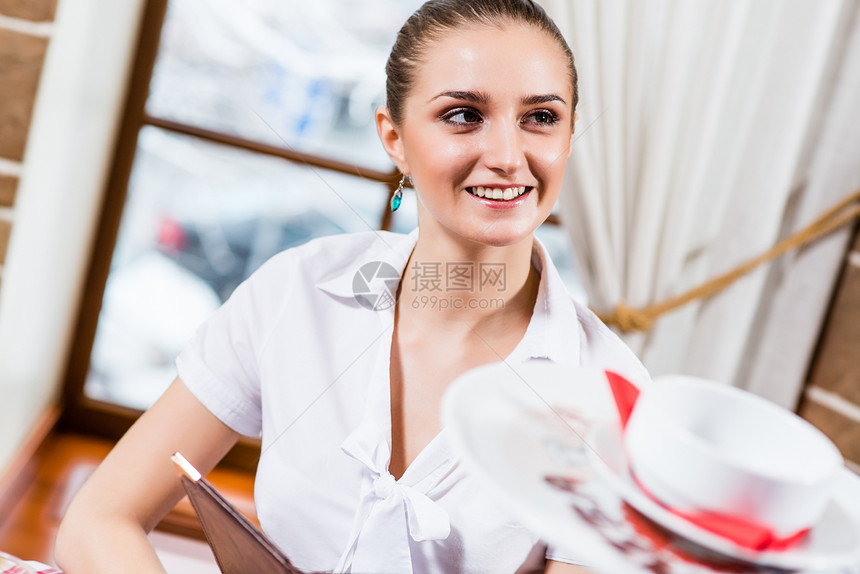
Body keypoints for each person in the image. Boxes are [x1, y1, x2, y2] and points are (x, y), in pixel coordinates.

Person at [55, 0, 649, 572]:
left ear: (569, 137)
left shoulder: (612, 401)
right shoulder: (298, 290)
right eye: (463, 115)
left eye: (541, 118)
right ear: (394, 138)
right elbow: (99, 520)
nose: (507, 155)